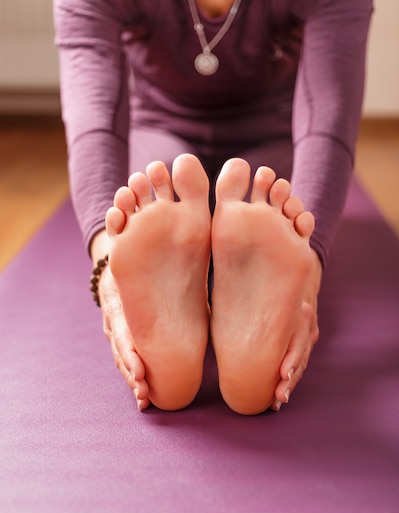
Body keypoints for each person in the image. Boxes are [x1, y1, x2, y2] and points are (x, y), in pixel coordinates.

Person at [54, 0, 373, 414]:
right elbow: (92, 118)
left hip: (272, 140)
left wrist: (304, 281)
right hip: (162, 134)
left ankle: (230, 289)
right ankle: (205, 295)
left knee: (260, 206)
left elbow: (326, 125)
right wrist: (108, 267)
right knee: (157, 191)